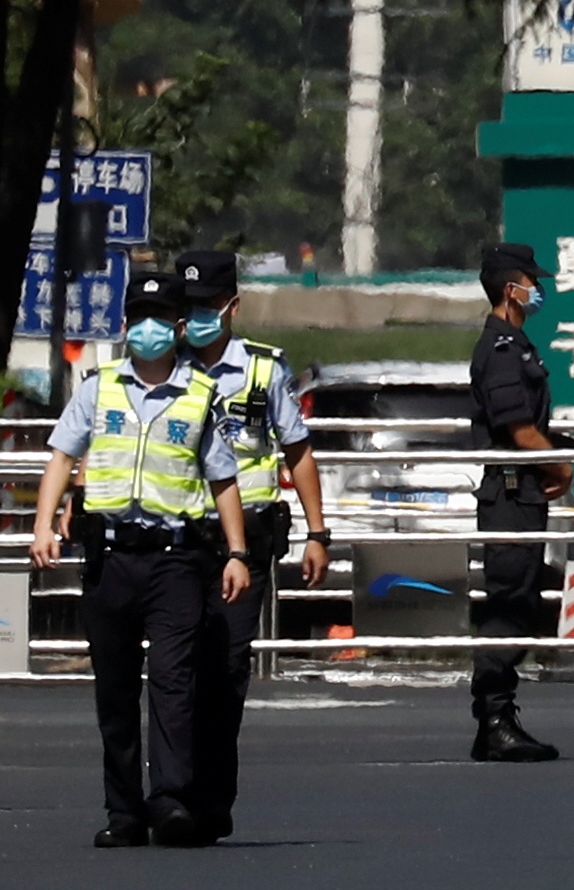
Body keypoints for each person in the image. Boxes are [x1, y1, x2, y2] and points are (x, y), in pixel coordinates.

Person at [27, 264, 254, 848]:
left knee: (174, 683)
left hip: (176, 559)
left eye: (158, 318)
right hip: (110, 558)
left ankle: (171, 802)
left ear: (178, 325)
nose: (146, 328)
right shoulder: (98, 387)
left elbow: (223, 480)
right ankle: (124, 812)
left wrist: (236, 552)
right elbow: (60, 457)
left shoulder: (201, 396)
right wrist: (45, 524)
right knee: (115, 688)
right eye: (137, 317)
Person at [178, 250, 329, 839]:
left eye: (208, 308)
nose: (196, 320)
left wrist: (318, 534)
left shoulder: (264, 370)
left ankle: (213, 795)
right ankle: (172, 790)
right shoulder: (164, 367)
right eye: (187, 309)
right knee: (176, 668)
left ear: (233, 307)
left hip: (251, 539)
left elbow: (299, 453)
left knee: (227, 667)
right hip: (184, 540)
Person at [467, 242, 572, 762]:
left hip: (523, 492)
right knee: (510, 603)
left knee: (525, 599)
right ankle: (493, 718)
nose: (538, 290)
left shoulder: (518, 342)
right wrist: (560, 464)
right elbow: (519, 429)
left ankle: (500, 715)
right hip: (510, 491)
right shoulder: (503, 348)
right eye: (531, 282)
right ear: (512, 289)